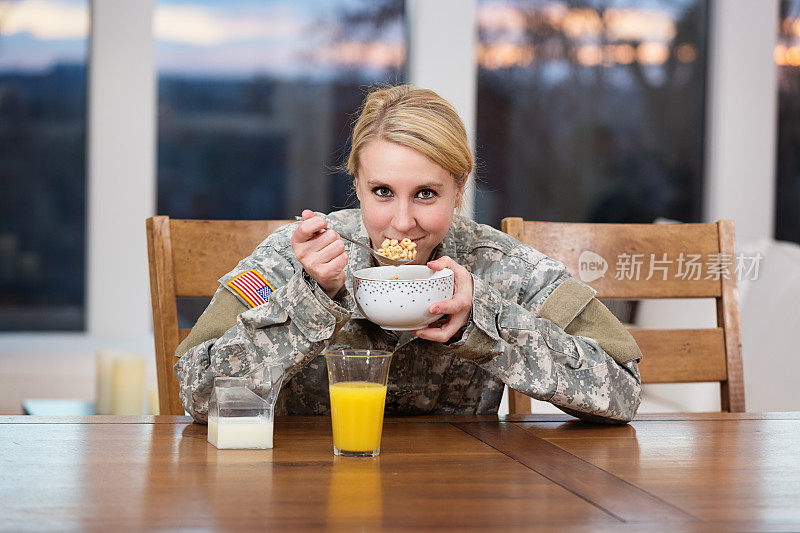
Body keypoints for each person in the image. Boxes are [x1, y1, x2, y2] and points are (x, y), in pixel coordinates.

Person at [174, 85, 643, 424]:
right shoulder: (292, 257)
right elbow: (196, 394)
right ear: (356, 184)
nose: (402, 222)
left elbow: (623, 391)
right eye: (382, 191)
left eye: (425, 194)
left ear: (458, 191)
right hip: (302, 490)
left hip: (458, 497)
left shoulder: (501, 267)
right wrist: (309, 300)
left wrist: (484, 320)